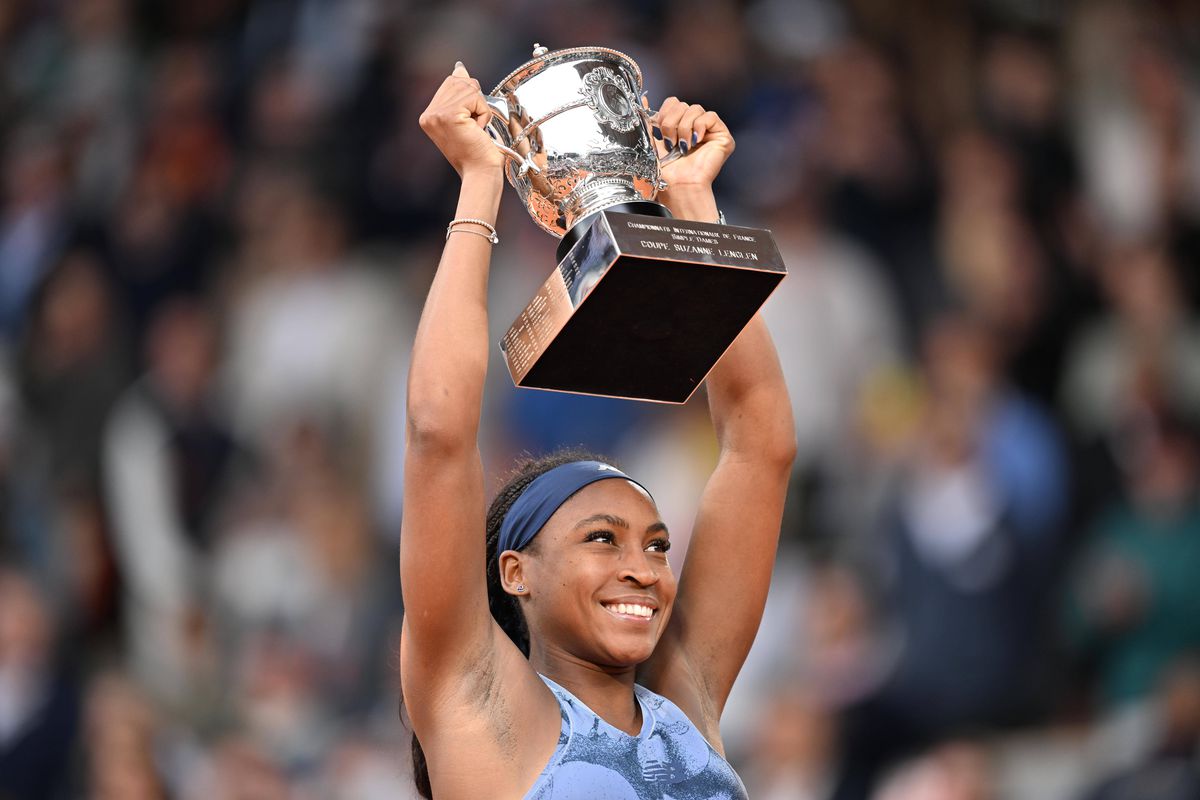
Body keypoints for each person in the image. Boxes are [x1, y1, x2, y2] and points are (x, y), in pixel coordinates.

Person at [400, 62, 795, 799]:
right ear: (516, 573)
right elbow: (438, 435)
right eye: (602, 539)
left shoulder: (683, 701)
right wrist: (481, 184)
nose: (643, 567)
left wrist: (691, 206)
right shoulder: (480, 709)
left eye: (656, 545)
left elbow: (759, 445)